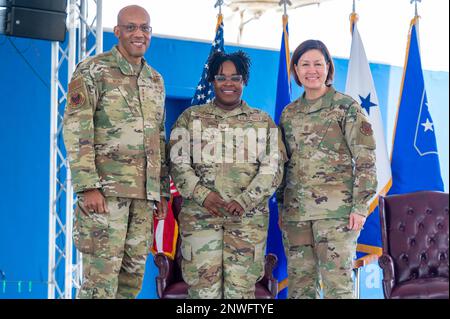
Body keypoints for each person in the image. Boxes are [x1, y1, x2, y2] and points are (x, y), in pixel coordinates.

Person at [63, 5, 169, 299]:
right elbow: (76, 129)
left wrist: (161, 190)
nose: (139, 34)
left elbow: (158, 138)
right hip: (105, 197)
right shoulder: (93, 71)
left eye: (144, 28)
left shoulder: (155, 80)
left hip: (143, 201)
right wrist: (88, 187)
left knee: (130, 283)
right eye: (131, 27)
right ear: (117, 31)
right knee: (100, 286)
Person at [169, 51, 286, 298]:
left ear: (245, 81)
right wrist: (203, 195)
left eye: (236, 77)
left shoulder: (262, 122)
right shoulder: (190, 118)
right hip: (201, 221)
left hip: (247, 223)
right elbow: (177, 162)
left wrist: (245, 200)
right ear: (212, 80)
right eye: (221, 77)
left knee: (240, 295)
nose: (228, 83)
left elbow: (273, 169)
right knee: (202, 294)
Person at [278, 39, 377, 299]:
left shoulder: (346, 107)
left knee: (338, 288)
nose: (312, 70)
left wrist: (360, 207)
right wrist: (281, 208)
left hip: (337, 215)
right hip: (296, 215)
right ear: (296, 70)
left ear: (328, 68)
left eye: (318, 64)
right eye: (305, 64)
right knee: (300, 289)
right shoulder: (289, 114)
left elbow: (365, 158)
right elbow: (282, 165)